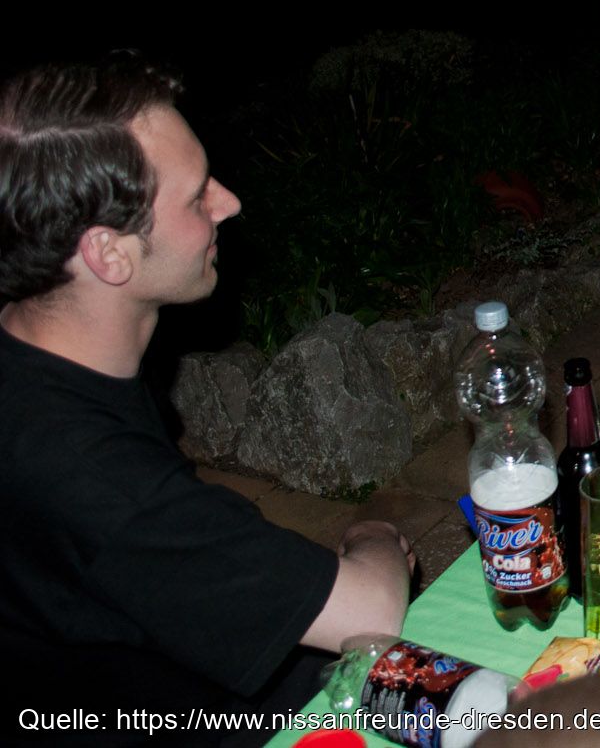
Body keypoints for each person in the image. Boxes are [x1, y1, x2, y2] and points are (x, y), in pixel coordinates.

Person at [0, 56, 415, 744]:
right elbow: (370, 611)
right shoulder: (94, 477)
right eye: (197, 198)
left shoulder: (40, 349)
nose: (228, 202)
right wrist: (372, 536)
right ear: (109, 253)